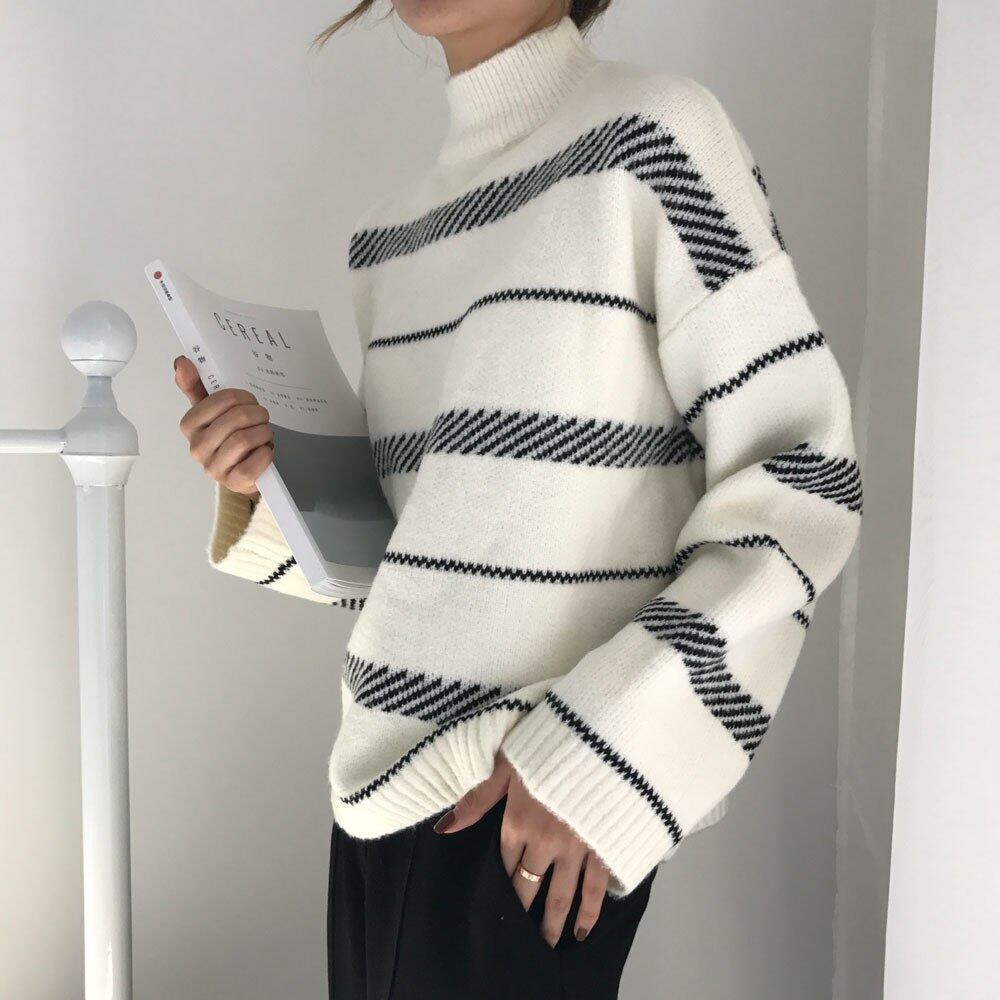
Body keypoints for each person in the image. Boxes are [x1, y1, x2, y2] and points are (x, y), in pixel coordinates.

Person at [173, 2, 863, 997]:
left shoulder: (652, 139)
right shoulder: (392, 239)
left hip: (528, 793)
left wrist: (601, 752)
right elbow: (422, 560)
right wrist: (264, 482)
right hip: (374, 797)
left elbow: (801, 472)